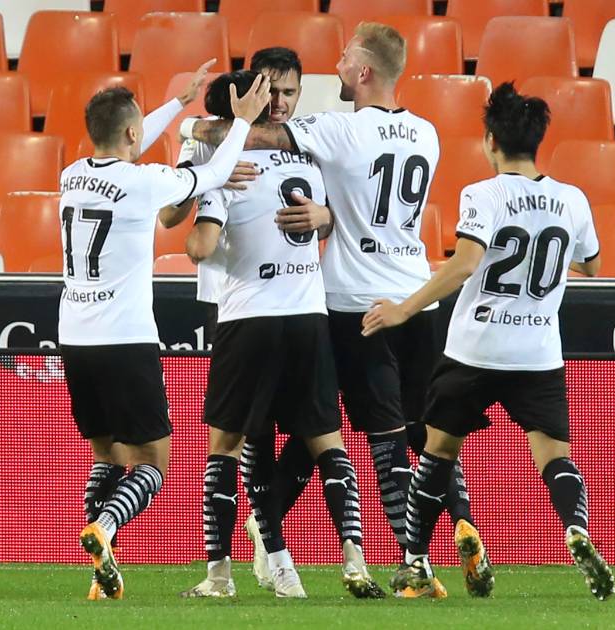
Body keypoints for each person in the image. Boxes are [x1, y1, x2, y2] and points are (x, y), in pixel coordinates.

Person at [182, 22, 480, 595]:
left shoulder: (336, 132)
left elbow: (261, 141)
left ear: (363, 71)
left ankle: (407, 559)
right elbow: (361, 201)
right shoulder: (427, 133)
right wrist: (330, 216)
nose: (336, 66)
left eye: (344, 58)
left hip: (346, 303)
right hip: (413, 296)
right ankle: (457, 526)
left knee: (370, 437)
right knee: (366, 430)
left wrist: (192, 128)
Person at [362, 82, 614, 600]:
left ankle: (415, 563)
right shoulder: (572, 199)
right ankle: (577, 528)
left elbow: (466, 263)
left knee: (437, 455)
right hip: (537, 352)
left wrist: (404, 309)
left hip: (475, 347)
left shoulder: (484, 194)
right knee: (554, 457)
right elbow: (592, 265)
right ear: (537, 141)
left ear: (490, 141)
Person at [60, 61, 272, 600]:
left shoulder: (71, 175)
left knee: (106, 456)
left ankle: (100, 573)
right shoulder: (144, 182)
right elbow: (214, 173)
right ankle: (105, 527)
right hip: (124, 339)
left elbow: (129, 138)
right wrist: (243, 121)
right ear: (133, 134)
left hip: (74, 337)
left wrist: (178, 103)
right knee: (153, 464)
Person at [183, 70, 384, 601]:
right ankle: (354, 559)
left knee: (227, 446)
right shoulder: (311, 163)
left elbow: (201, 248)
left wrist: (206, 198)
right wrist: (326, 216)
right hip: (309, 317)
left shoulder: (228, 166)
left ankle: (219, 575)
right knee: (327, 441)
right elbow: (347, 215)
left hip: (248, 318)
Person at [171, 47, 329, 592]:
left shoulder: (303, 141)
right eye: (270, 91)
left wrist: (325, 215)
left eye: (289, 92)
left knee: (278, 435)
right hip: (236, 298)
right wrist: (206, 170)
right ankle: (275, 557)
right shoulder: (209, 142)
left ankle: (252, 554)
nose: (279, 102)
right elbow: (171, 213)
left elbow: (339, 213)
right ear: (250, 90)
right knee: (255, 438)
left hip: (276, 303)